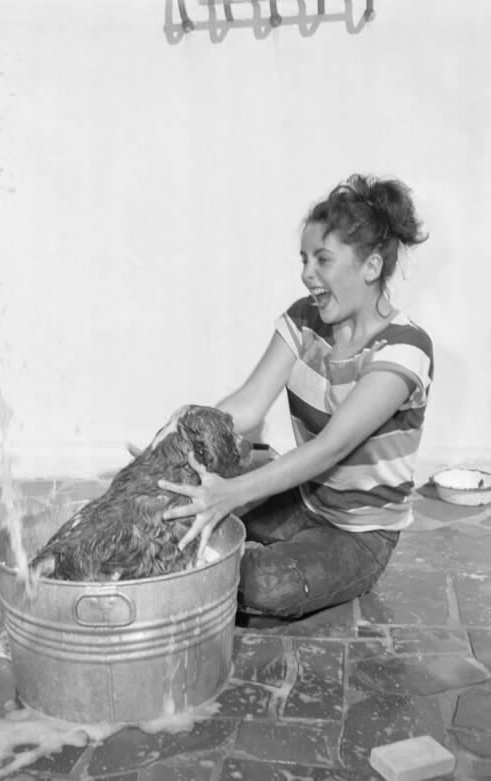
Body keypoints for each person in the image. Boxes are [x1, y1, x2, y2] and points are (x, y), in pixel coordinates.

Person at [158, 173, 434, 619]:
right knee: (182, 526)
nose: (308, 274)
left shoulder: (404, 349)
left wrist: (230, 494)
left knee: (259, 584)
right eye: (304, 259)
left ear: (371, 266)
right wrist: (174, 442)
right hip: (304, 499)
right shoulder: (305, 320)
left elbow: (332, 447)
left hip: (358, 536)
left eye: (323, 260)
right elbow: (249, 404)